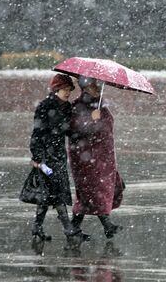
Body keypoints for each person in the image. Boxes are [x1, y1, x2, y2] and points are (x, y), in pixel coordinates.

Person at [28, 73, 83, 246]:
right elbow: (37, 133)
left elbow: (67, 131)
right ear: (56, 89)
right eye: (65, 89)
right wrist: (37, 157)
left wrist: (79, 133)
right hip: (45, 156)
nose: (68, 92)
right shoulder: (45, 106)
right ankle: (68, 229)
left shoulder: (66, 107)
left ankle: (37, 227)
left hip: (59, 155)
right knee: (56, 192)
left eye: (70, 89)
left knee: (47, 195)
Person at [68, 76, 124, 239]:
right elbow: (74, 131)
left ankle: (75, 228)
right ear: (85, 87)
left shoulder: (100, 104)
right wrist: (91, 122)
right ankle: (106, 226)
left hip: (103, 157)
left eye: (99, 85)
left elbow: (106, 127)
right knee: (92, 192)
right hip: (87, 159)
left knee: (94, 192)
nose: (98, 88)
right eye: (94, 86)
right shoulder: (78, 107)